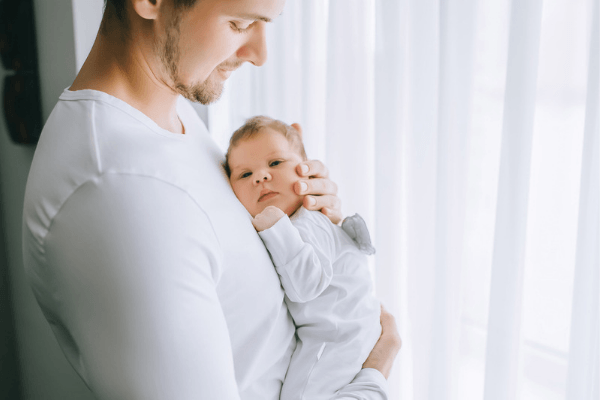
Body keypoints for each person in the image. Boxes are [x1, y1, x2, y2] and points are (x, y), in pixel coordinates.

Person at [21, 0, 401, 399]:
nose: (260, 55)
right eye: (239, 24)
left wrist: (305, 216)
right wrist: (373, 375)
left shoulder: (168, 113)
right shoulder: (118, 194)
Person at [225, 116, 382, 400]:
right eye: (245, 174)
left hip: (336, 339)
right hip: (346, 332)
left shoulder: (308, 222)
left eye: (275, 163)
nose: (261, 176)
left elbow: (307, 285)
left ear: (307, 171)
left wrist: (276, 227)